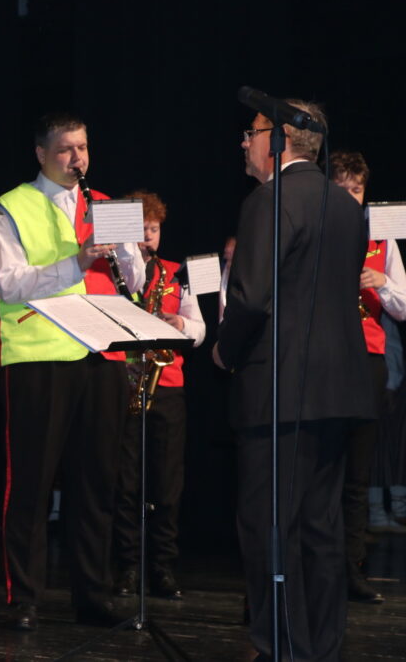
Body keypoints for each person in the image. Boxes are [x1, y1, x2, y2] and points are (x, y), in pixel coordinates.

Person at [213, 101, 374, 662]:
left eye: (252, 132)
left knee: (270, 526)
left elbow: (252, 297)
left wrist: (225, 350)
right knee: (320, 527)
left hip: (280, 389)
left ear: (281, 136)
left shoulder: (269, 199)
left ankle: (280, 646)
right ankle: (320, 647)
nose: (244, 142)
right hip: (341, 388)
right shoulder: (346, 206)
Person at [0, 112, 144, 630]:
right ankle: (24, 598)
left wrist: (127, 253)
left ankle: (92, 595)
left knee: (97, 483)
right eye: (65, 150)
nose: (77, 158)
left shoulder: (107, 205)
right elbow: (9, 284)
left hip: (102, 354)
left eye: (82, 148)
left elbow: (135, 281)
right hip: (39, 357)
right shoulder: (11, 207)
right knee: (31, 483)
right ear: (41, 154)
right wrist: (76, 262)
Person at [113, 191, 205, 600]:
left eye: (153, 229)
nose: (148, 237)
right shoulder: (115, 275)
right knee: (126, 483)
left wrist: (179, 324)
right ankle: (127, 566)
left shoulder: (177, 273)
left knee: (167, 485)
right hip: (124, 386)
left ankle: (163, 566)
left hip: (166, 388)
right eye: (141, 229)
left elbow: (199, 330)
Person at [328, 150, 406, 603]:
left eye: (356, 190)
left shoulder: (382, 239)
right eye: (342, 189)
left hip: (367, 359)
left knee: (357, 474)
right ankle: (314, 567)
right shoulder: (314, 231)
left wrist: (382, 282)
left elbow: (403, 305)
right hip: (323, 360)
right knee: (322, 470)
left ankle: (351, 569)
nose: (350, 197)